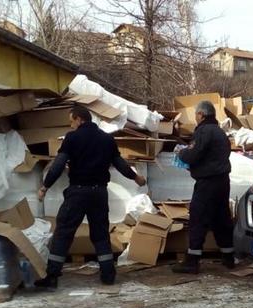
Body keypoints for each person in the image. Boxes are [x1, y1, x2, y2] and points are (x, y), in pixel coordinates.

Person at [35, 105, 146, 288]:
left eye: (72, 121)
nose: (71, 126)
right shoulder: (107, 139)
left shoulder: (72, 138)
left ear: (79, 119)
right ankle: (108, 274)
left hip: (77, 192)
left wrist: (45, 186)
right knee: (101, 234)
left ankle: (52, 276)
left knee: (64, 232)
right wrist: (136, 177)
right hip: (99, 194)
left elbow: (58, 164)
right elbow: (119, 163)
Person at [172, 100, 235, 274]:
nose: (195, 118)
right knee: (221, 218)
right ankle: (229, 256)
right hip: (223, 181)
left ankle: (192, 261)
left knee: (198, 219)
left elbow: (193, 154)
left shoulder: (204, 131)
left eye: (196, 115)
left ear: (201, 114)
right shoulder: (220, 133)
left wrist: (181, 152)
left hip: (207, 183)